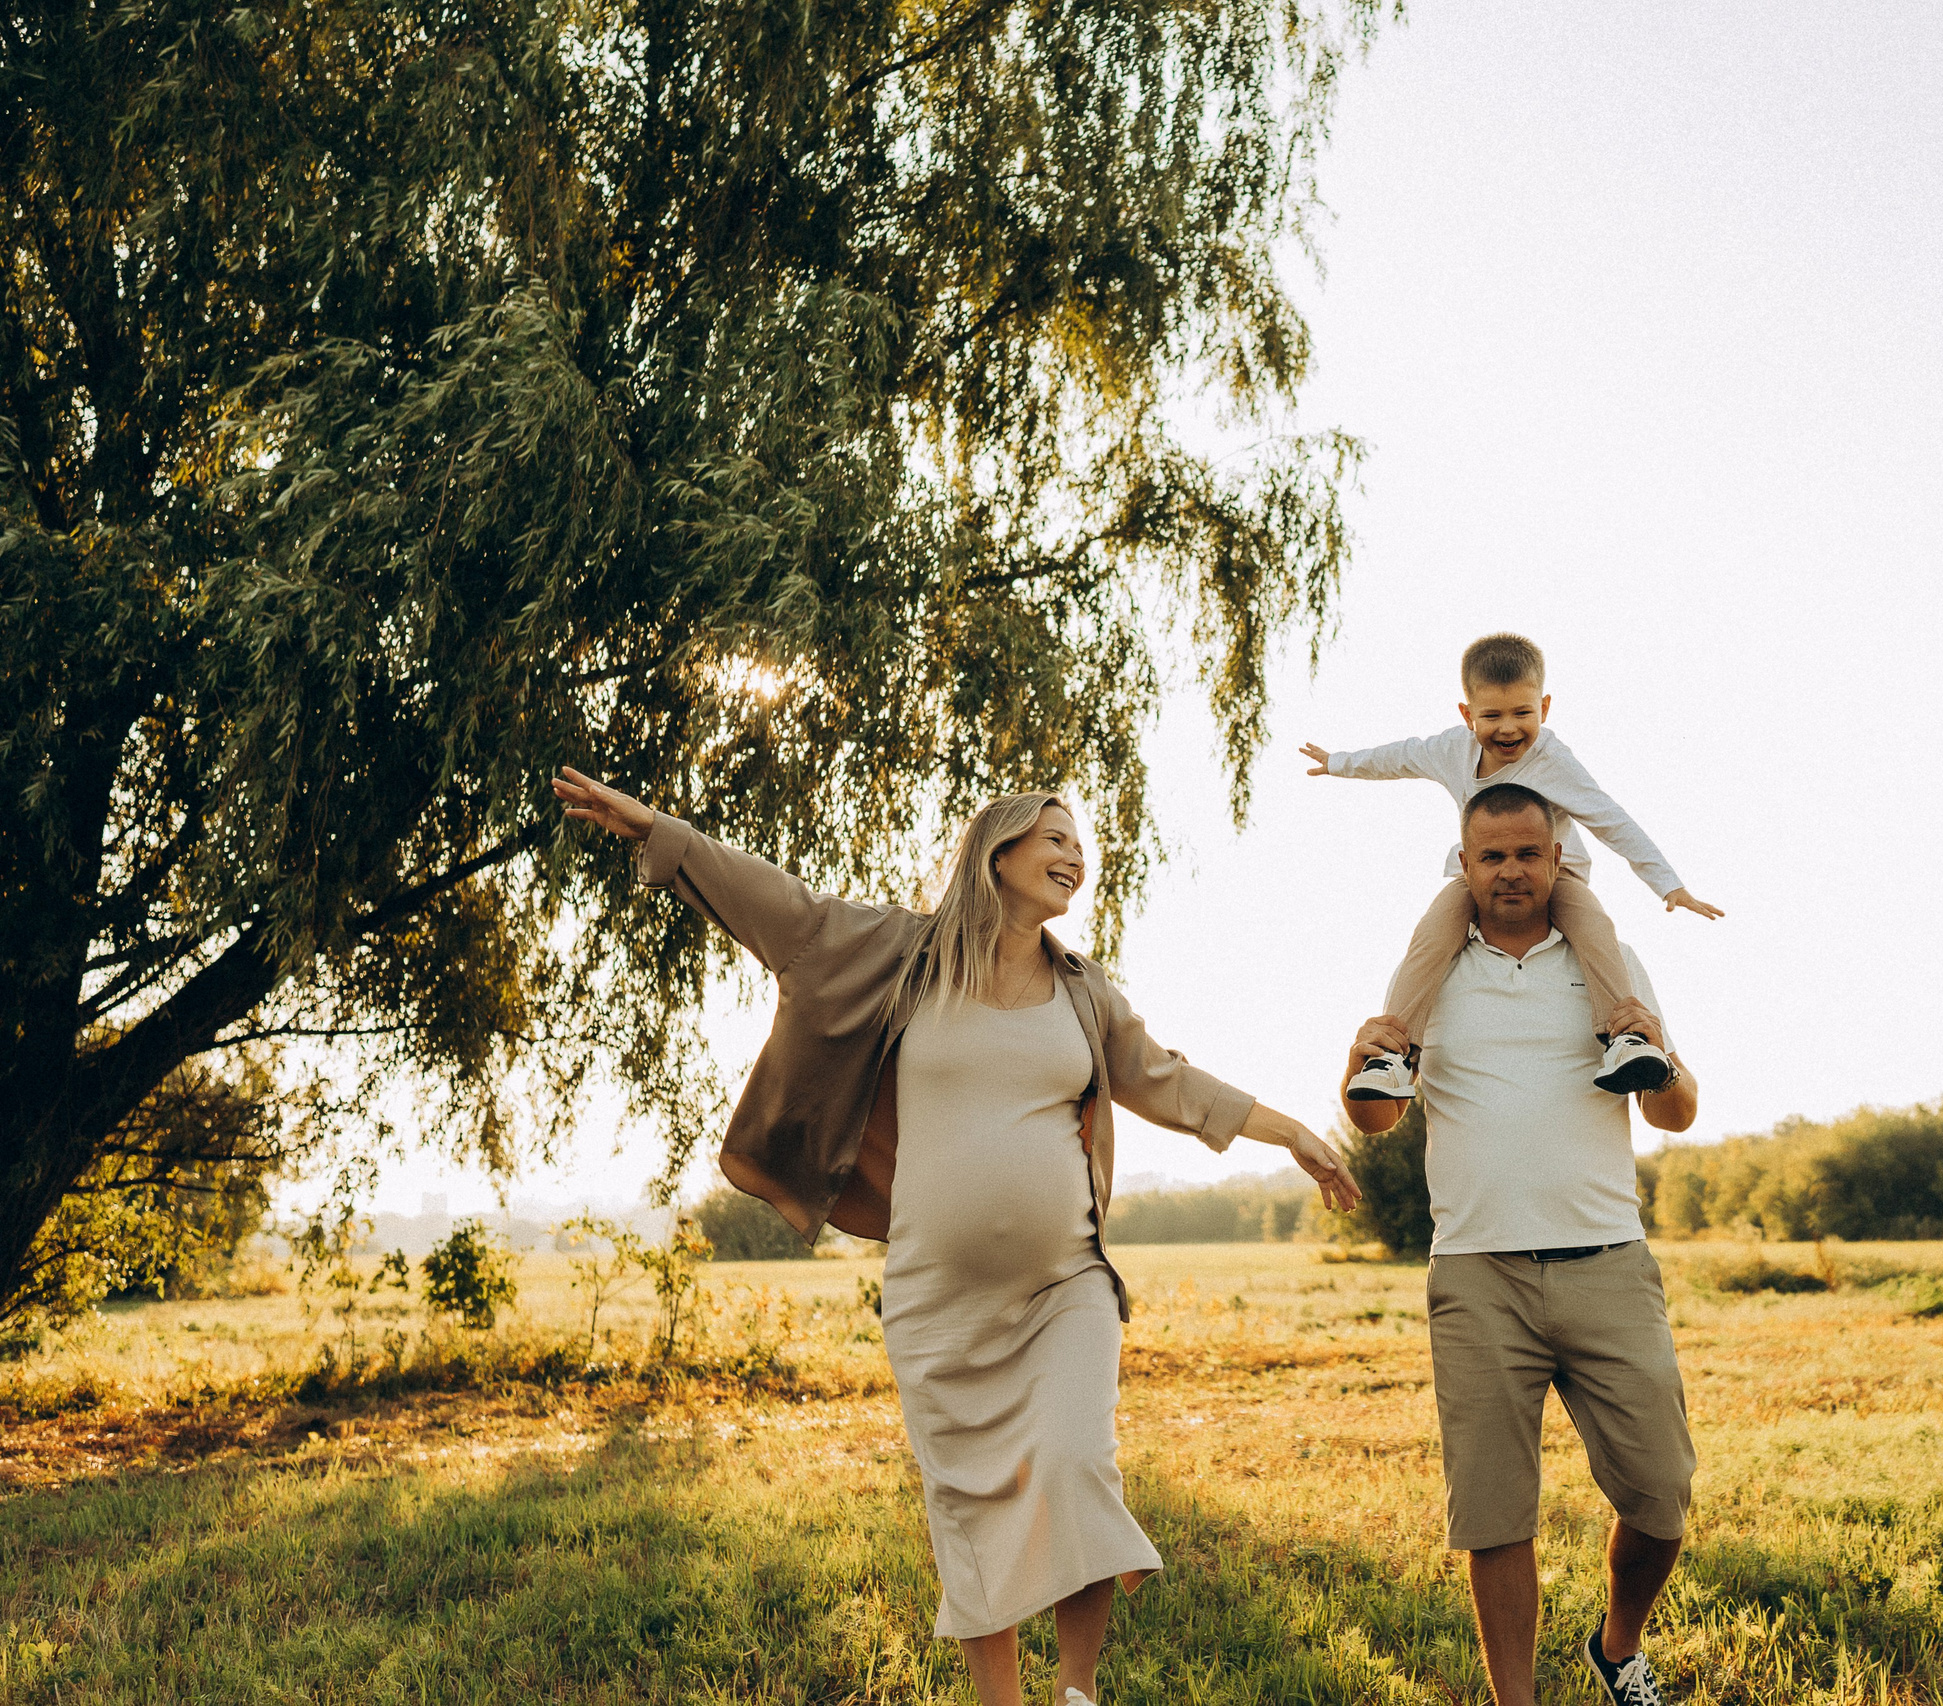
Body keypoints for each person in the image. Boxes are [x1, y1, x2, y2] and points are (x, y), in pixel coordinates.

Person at [554, 768, 1359, 1706]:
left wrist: (1293, 1131)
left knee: (1075, 1466)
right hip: (937, 1298)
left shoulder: (1083, 992)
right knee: (969, 1507)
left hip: (1065, 1288)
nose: (1075, 854)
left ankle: (1078, 1693)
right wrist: (667, 833)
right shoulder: (904, 957)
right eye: (1055, 838)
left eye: (1079, 844)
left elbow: (1168, 1082)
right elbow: (781, 908)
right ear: (998, 853)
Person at [1340, 781, 1699, 1706]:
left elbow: (1678, 1110)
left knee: (1661, 1497)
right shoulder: (1430, 974)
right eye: (1491, 856)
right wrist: (1356, 1071)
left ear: (1556, 861)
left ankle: (1618, 1647)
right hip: (1477, 1275)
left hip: (1608, 1263)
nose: (1510, 871)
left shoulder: (1605, 960)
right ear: (1465, 866)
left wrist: (1654, 1047)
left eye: (1527, 855)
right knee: (1497, 1516)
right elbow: (1378, 1118)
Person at [1298, 630, 1721, 1103]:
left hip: (1555, 875)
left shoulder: (1553, 761)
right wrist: (1339, 762)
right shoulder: (1451, 750)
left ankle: (1625, 1038)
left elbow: (1610, 819)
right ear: (1467, 715)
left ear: (1544, 707)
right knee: (1431, 936)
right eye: (1492, 715)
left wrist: (1669, 886)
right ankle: (1393, 1055)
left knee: (1594, 928)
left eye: (1523, 713)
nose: (1508, 729)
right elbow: (1399, 757)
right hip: (1477, 875)